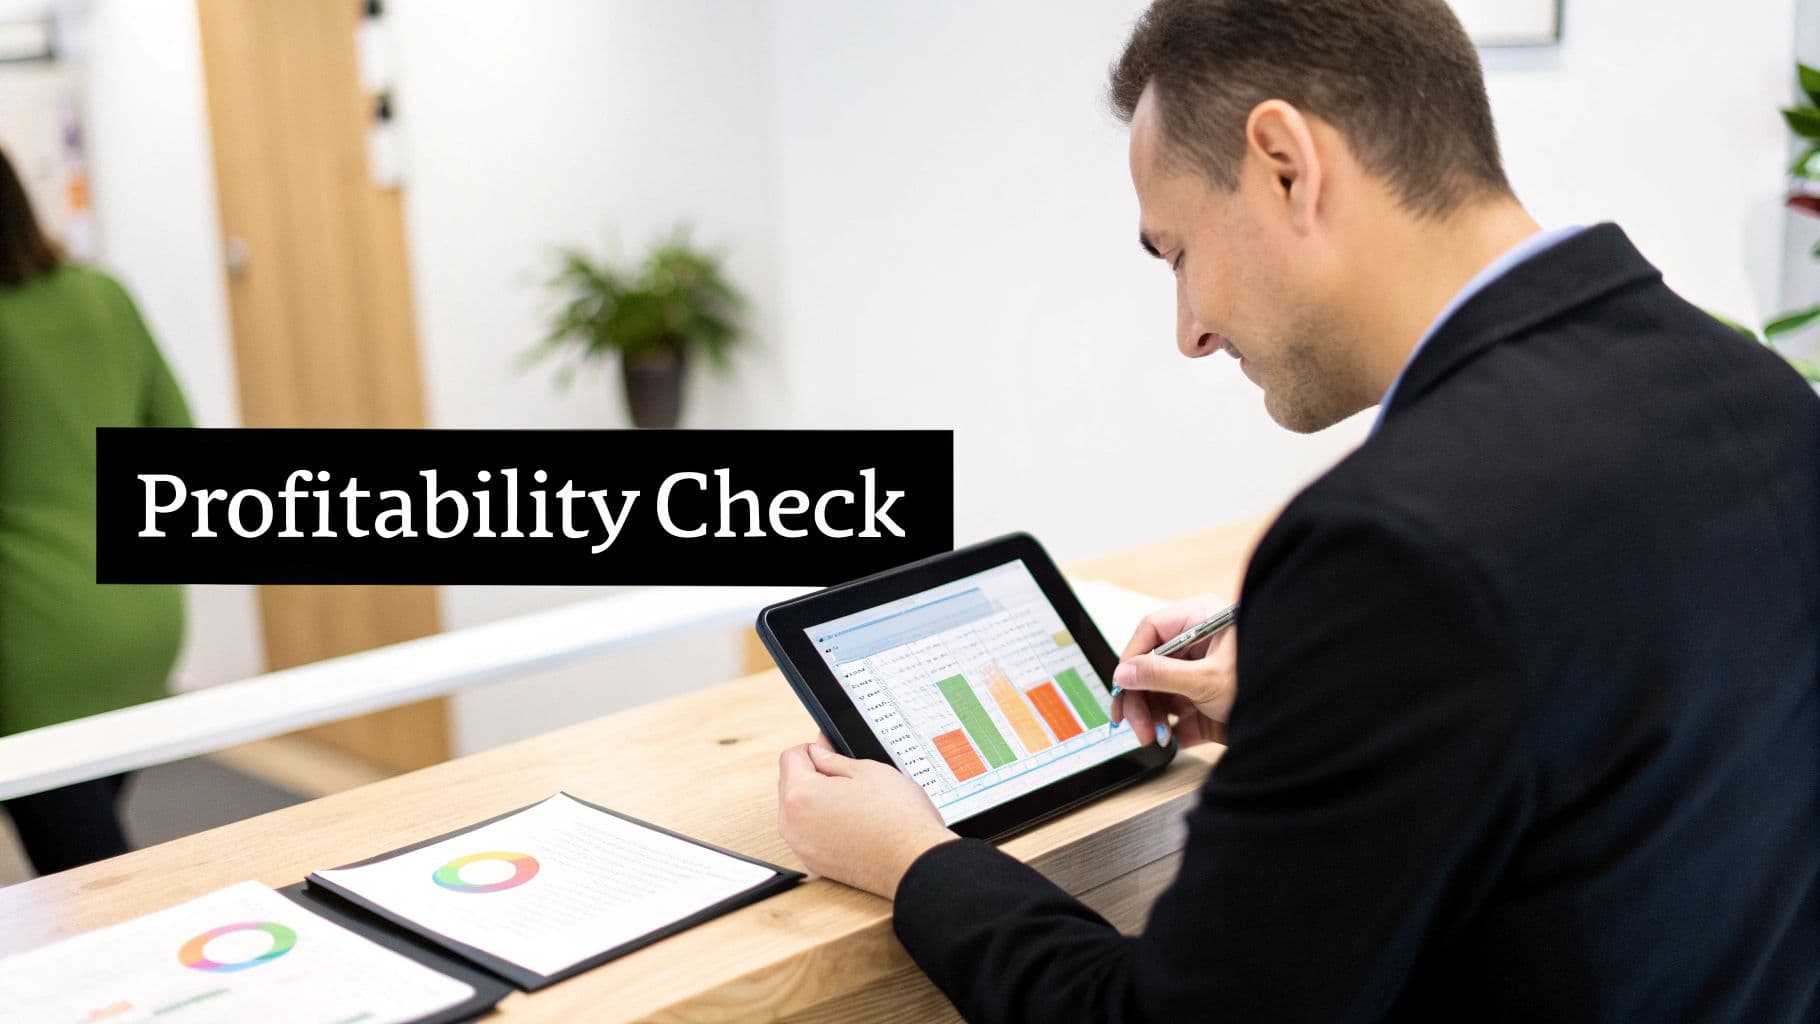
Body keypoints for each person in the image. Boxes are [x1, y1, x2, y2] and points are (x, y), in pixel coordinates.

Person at [775, 0, 1820, 1020]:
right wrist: (1327, 710)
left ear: (1285, 164)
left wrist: (917, 860)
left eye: (1176, 251)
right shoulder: (1755, 391)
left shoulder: (1388, 541)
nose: (1186, 332)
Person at [0, 146, 192, 875]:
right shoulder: (102, 293)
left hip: (33, 647)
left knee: (91, 881)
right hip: (143, 620)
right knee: (86, 846)